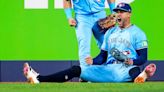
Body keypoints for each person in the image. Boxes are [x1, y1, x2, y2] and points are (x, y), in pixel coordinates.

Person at [23, 3, 156, 83]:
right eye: (116, 12)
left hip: (126, 69)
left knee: (135, 70)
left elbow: (143, 57)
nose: (118, 14)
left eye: (122, 12)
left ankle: (142, 76)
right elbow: (102, 57)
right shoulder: (110, 32)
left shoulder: (138, 33)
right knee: (78, 69)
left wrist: (131, 62)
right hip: (107, 70)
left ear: (129, 14)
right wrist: (93, 61)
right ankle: (39, 79)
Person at [63, 0, 116, 67]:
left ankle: (112, 67)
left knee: (107, 43)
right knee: (84, 43)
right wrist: (69, 17)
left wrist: (113, 12)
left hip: (100, 14)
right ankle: (85, 72)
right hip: (82, 17)